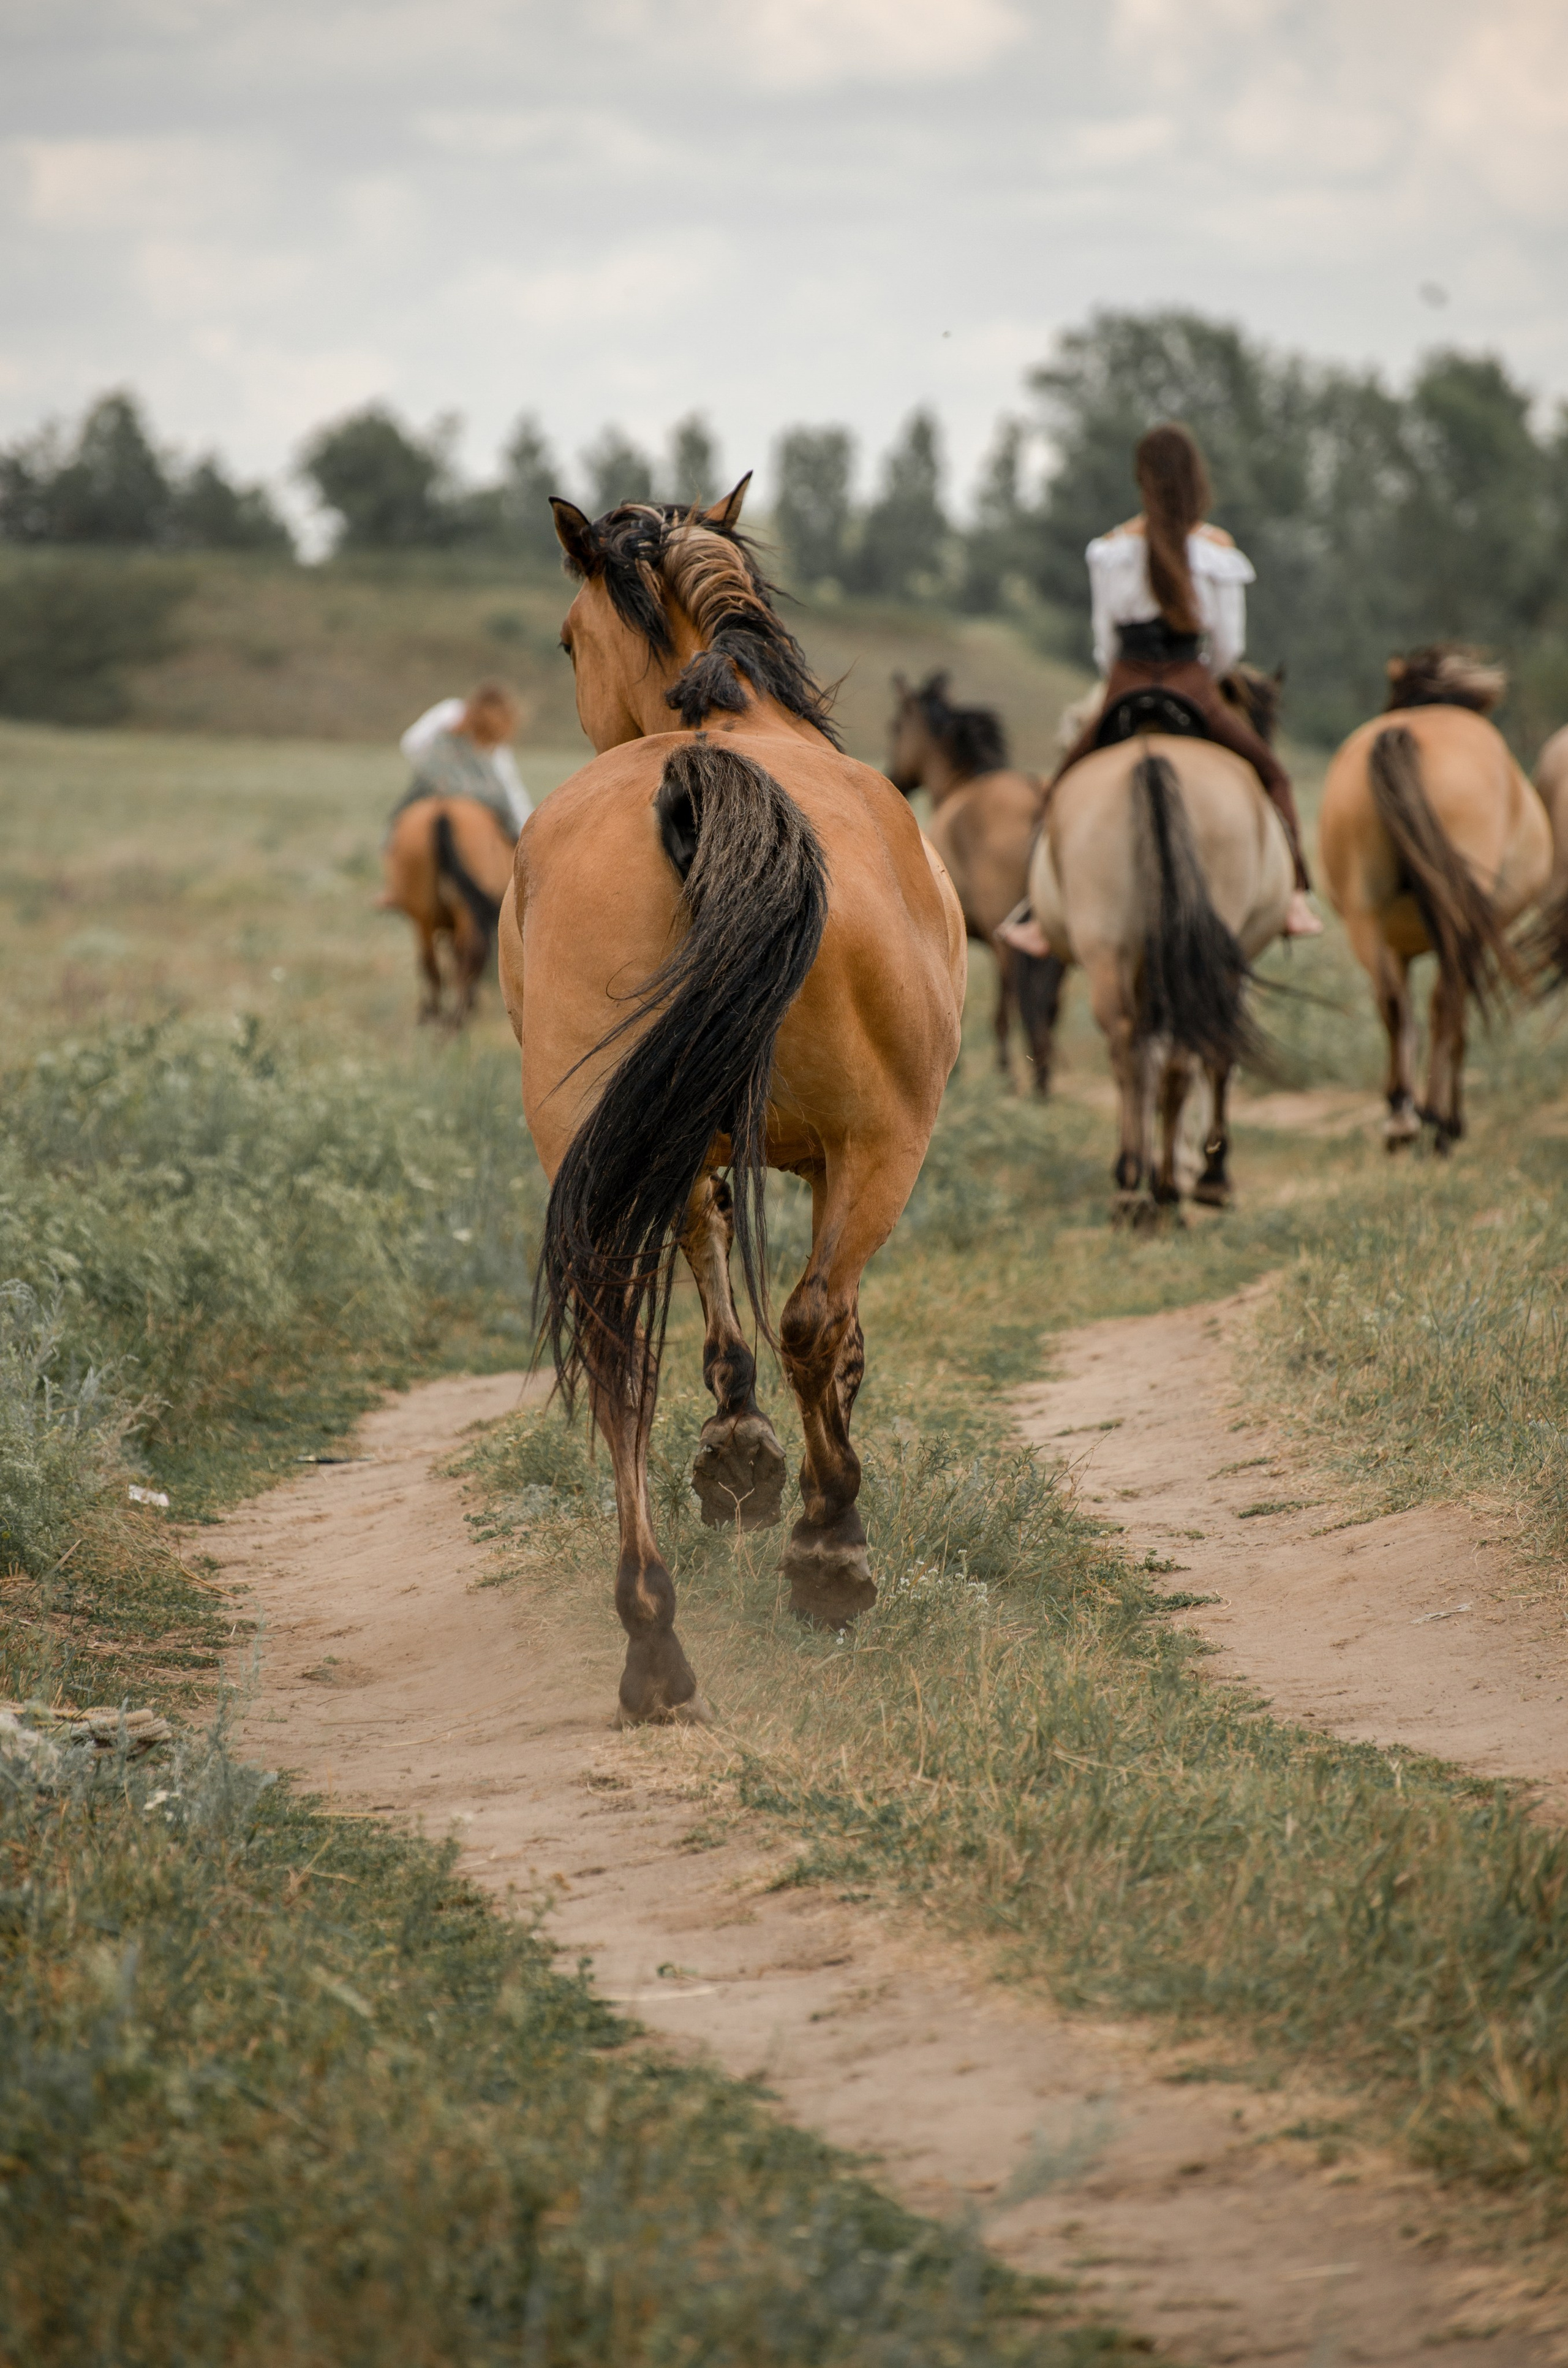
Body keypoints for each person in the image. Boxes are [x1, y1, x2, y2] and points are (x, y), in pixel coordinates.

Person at [1003, 424, 1321, 950]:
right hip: (1193, 684)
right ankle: (1295, 896)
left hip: (1125, 684)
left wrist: (1122, 675)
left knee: (1060, 787)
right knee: (1274, 775)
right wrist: (1205, 678)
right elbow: (1229, 647)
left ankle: (1037, 911)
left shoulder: (1111, 550)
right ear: (1197, 476)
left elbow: (1105, 642)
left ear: (1141, 478)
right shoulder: (1216, 550)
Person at [390, 681, 531, 837]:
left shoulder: (496, 749)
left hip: (437, 781)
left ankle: (391, 835)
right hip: (441, 779)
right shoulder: (451, 714)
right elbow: (511, 791)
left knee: (401, 816)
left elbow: (411, 743)